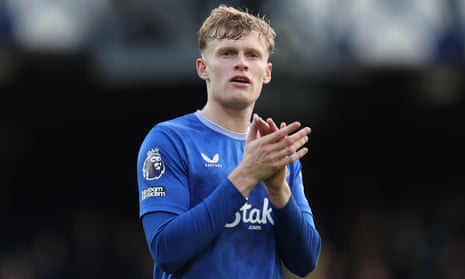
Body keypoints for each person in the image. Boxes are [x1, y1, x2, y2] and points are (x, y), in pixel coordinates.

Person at [136, 4, 321, 279]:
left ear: (267, 73)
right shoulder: (169, 140)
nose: (242, 63)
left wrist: (278, 191)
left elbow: (305, 262)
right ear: (203, 68)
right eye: (227, 53)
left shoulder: (273, 151)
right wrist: (247, 175)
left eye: (253, 55)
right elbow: (166, 250)